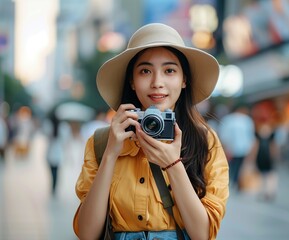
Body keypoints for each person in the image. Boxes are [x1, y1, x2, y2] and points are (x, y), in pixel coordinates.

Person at [73, 23, 229, 240]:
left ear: (184, 79)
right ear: (132, 81)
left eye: (169, 71)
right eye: (145, 71)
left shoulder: (205, 141)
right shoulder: (102, 141)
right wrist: (110, 154)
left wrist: (173, 165)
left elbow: (203, 235)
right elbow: (87, 234)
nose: (157, 83)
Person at [218, 103, 255, 191]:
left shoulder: (228, 119)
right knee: (239, 166)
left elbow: (223, 135)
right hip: (243, 149)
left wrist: (225, 146)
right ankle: (235, 182)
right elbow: (250, 137)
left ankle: (229, 182)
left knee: (229, 166)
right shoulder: (247, 120)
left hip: (230, 148)